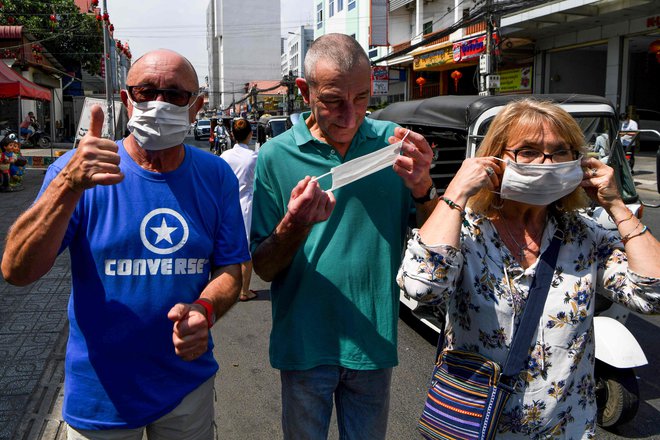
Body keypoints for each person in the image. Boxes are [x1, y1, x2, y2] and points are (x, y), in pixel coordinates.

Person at [1, 49, 250, 439]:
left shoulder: (216, 176)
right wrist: (68, 184)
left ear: (197, 106)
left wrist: (205, 308)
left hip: (187, 387)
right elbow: (16, 271)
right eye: (146, 91)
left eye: (175, 95)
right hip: (101, 394)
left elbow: (231, 269)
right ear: (126, 99)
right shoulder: (79, 171)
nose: (158, 103)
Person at [397, 99, 660, 439]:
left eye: (559, 151)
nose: (545, 164)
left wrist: (615, 205)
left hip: (566, 428)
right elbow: (421, 287)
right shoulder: (464, 231)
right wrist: (458, 193)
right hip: (478, 424)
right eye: (528, 151)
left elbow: (653, 295)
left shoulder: (585, 234)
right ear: (496, 159)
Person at [250, 33, 436, 439]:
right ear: (304, 91)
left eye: (363, 98)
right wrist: (294, 224)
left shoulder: (393, 144)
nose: (350, 117)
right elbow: (263, 268)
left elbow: (437, 238)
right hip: (304, 344)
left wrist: (423, 187)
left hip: (373, 341)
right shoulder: (275, 155)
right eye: (333, 101)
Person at [221, 118, 258, 301]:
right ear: (250, 135)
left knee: (228, 249)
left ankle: (227, 288)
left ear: (232, 135)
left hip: (226, 207)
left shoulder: (225, 156)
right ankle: (244, 291)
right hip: (246, 206)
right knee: (246, 251)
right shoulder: (253, 157)